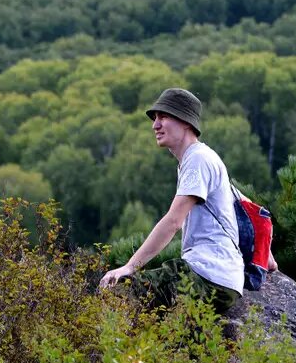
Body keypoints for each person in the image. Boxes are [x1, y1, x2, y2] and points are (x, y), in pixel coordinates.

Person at [99, 87, 244, 311]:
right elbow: (246, 206)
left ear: (186, 122)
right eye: (155, 118)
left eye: (163, 116)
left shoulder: (198, 160)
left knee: (122, 292)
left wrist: (130, 266)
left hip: (208, 276)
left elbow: (173, 222)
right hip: (218, 277)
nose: (155, 125)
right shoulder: (199, 158)